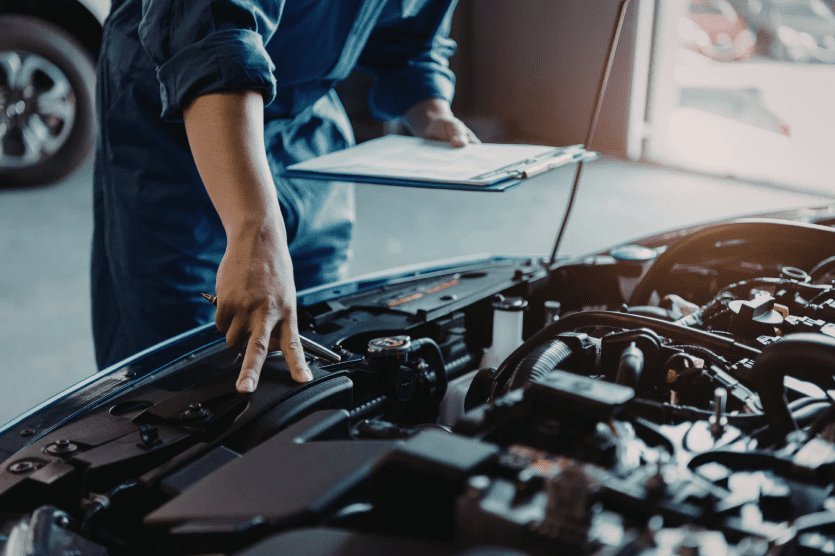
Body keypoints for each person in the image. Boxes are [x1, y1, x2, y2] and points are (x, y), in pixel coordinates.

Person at [92, 0, 478, 393]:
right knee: (183, 367)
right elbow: (210, 30)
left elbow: (409, 29)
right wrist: (253, 231)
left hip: (306, 121)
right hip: (184, 124)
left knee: (322, 330)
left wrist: (430, 108)